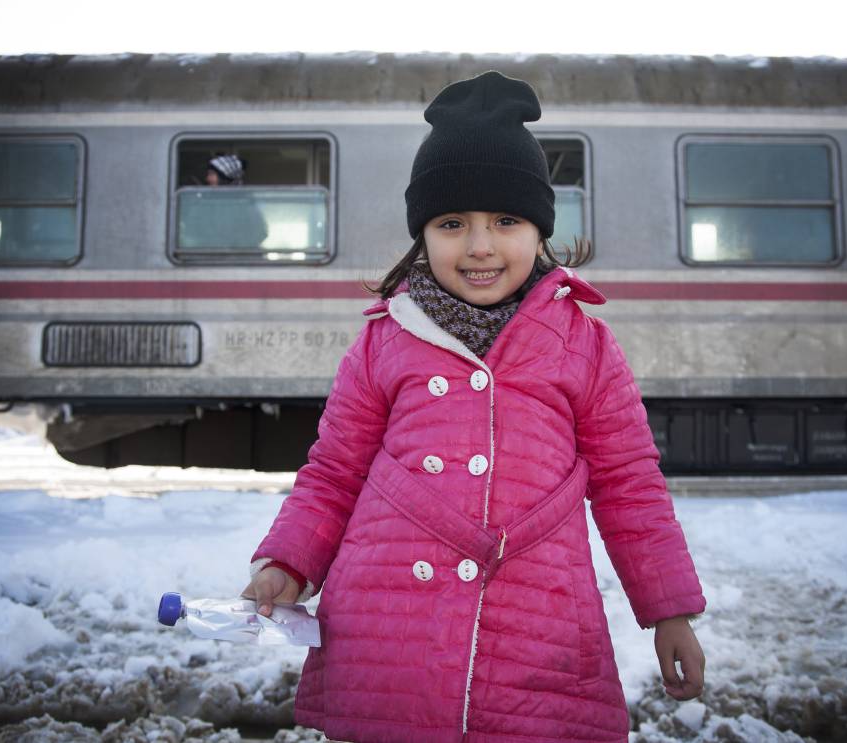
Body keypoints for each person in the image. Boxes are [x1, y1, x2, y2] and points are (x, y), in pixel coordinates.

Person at [242, 70, 706, 743]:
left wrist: (669, 611)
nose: (480, 245)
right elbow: (334, 473)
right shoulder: (383, 342)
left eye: (506, 221)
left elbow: (630, 486)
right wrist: (286, 562)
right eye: (453, 222)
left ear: (540, 229)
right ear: (422, 233)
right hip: (390, 638)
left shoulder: (584, 345)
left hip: (534, 638)